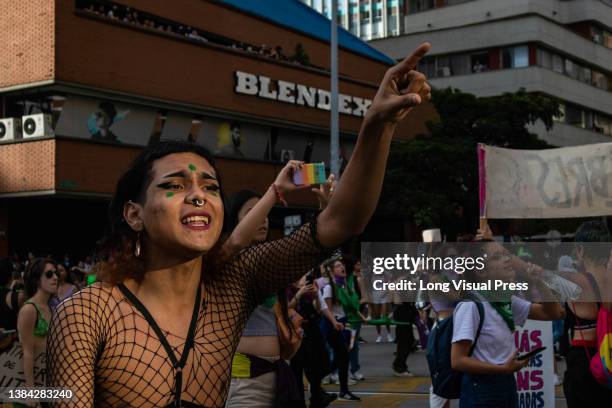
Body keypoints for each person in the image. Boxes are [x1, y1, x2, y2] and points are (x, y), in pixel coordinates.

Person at [47, 42, 433, 407]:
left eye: (210, 186)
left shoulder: (234, 284)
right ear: (134, 214)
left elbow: (341, 220)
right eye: (174, 185)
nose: (198, 196)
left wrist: (377, 125)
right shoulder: (88, 312)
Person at [451, 236, 564, 408]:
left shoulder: (505, 300)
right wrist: (502, 369)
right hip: (482, 390)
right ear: (481, 271)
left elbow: (552, 313)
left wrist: (539, 282)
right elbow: (458, 360)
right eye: (497, 257)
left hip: (506, 383)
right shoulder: (471, 306)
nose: (506, 260)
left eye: (505, 254)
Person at [563, 221, 612, 406]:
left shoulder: (577, 282)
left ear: (581, 250)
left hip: (585, 361)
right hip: (609, 357)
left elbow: (532, 272)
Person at [17, 258, 58, 390]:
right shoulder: (29, 309)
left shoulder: (51, 307)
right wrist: (30, 390)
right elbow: (27, 351)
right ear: (37, 280)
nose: (55, 277)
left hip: (49, 378)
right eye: (49, 274)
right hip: (33, 381)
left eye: (55, 273)